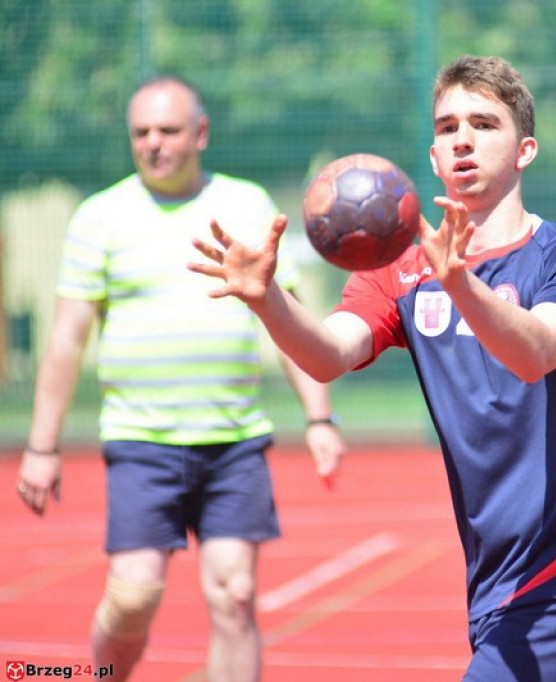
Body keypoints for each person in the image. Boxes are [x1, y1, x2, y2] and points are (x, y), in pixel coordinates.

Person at [191, 55, 556, 680]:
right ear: (431, 157)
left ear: (525, 149)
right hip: (493, 588)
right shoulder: (400, 271)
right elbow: (326, 355)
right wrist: (268, 300)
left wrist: (458, 281)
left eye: (484, 123)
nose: (463, 140)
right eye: (448, 126)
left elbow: (533, 353)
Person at [14, 76, 347, 682]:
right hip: (141, 443)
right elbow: (65, 341)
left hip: (234, 441)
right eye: (140, 132)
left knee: (235, 595)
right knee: (133, 598)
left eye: (167, 131)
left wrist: (320, 418)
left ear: (200, 133)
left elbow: (292, 319)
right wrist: (41, 445)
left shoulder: (246, 205)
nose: (153, 144)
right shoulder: (100, 216)